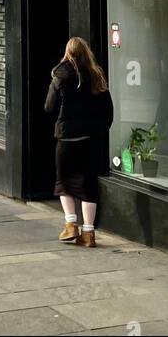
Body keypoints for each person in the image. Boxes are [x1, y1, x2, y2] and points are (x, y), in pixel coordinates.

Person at [44, 36, 114, 248]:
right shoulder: (96, 75)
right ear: (86, 53)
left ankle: (71, 226)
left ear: (67, 53)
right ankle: (89, 234)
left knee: (63, 181)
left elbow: (49, 107)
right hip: (89, 140)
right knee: (87, 184)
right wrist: (98, 131)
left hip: (66, 139)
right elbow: (108, 112)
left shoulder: (60, 76)